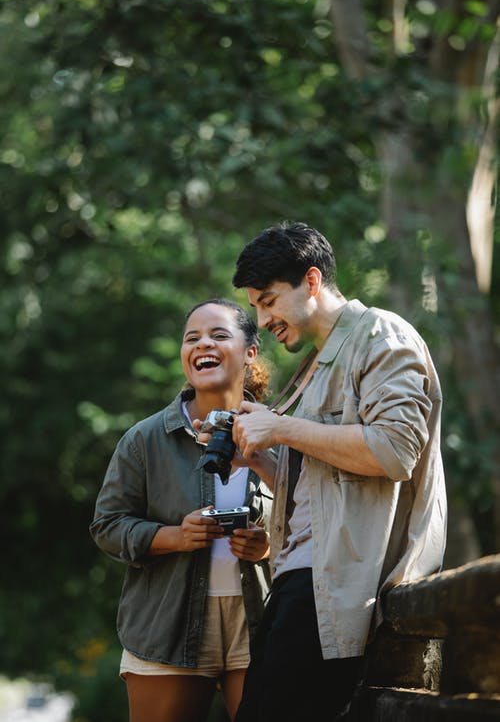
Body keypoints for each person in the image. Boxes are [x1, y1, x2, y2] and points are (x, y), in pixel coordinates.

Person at [227, 222, 448, 722]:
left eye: (268, 300)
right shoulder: (316, 364)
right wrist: (260, 455)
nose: (261, 320)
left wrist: (280, 430)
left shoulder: (381, 335)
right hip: (298, 575)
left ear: (310, 281)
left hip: (336, 583)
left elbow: (393, 451)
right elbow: (324, 483)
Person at [90, 299, 275, 722]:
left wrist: (268, 544)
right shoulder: (144, 439)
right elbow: (107, 526)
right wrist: (175, 536)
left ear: (250, 352)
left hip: (261, 622)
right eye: (192, 337)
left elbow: (314, 519)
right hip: (166, 624)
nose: (202, 344)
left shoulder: (281, 430)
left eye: (218, 335)